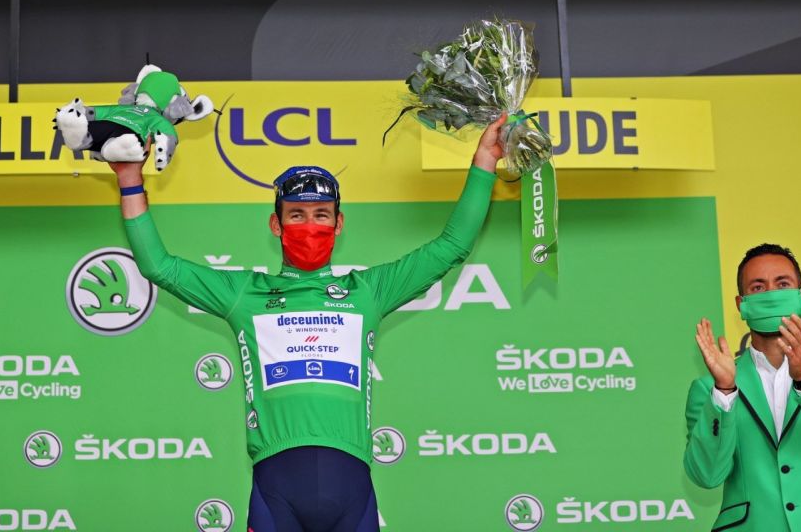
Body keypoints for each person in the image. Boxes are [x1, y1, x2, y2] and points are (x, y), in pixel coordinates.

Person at [110, 116, 505, 532]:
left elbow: (452, 246)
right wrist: (130, 180)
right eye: (297, 215)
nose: (310, 226)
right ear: (276, 225)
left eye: (321, 215)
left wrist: (484, 160)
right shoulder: (245, 294)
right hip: (276, 492)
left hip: (351, 491)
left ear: (339, 223)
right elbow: (158, 266)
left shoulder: (367, 292)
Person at [685, 244, 801, 531]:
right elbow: (706, 475)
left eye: (782, 284)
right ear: (741, 304)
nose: (771, 293)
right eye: (758, 287)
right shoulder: (708, 389)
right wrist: (724, 392)